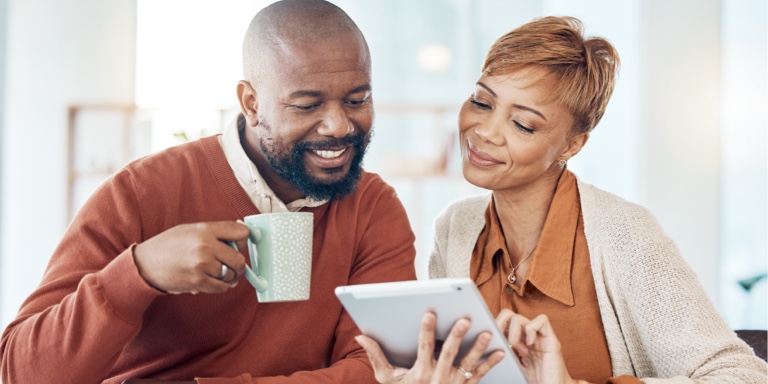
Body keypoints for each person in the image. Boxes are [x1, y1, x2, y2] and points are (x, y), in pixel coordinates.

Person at [0, 1, 417, 383]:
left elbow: (381, 368)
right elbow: (21, 371)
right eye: (307, 106)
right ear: (251, 103)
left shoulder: (373, 208)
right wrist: (140, 272)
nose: (339, 126)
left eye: (357, 99)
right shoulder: (141, 192)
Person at [357, 15, 768, 383]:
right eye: (482, 101)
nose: (485, 131)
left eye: (523, 124)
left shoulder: (625, 234)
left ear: (572, 145)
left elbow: (742, 376)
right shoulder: (456, 227)